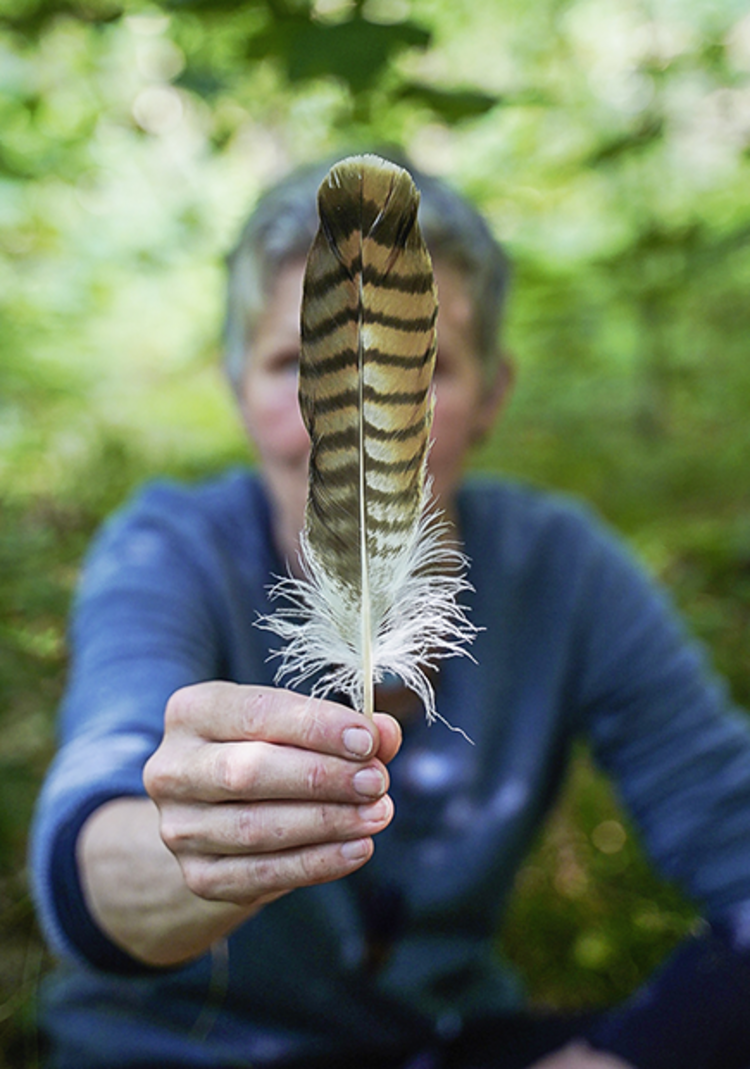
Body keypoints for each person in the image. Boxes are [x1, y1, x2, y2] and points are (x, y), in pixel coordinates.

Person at [30, 154, 750, 1069]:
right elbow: (92, 857)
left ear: (493, 394)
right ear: (238, 390)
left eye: (418, 363)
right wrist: (190, 852)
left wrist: (632, 1053)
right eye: (304, 361)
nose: (357, 416)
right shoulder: (168, 551)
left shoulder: (562, 567)